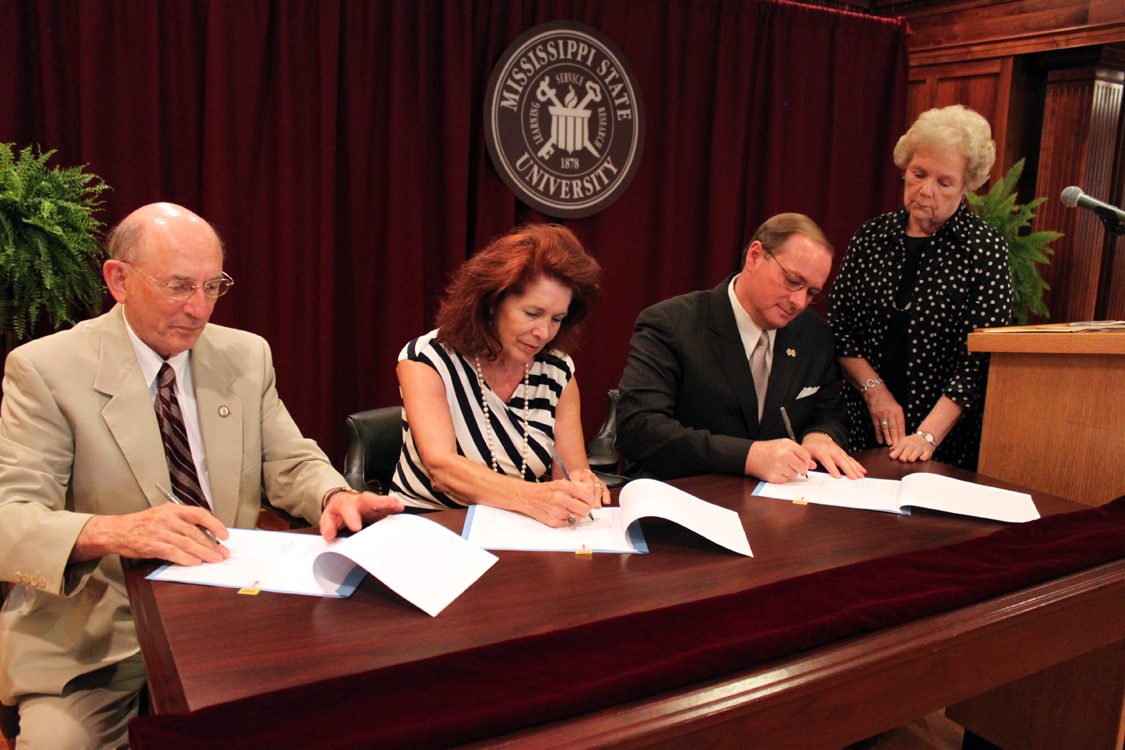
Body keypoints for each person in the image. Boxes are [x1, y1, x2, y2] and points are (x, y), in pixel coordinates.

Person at [0, 203, 402, 749]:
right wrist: (118, 532)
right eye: (178, 286)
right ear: (118, 279)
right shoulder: (46, 369)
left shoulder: (244, 355)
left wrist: (334, 494)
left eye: (213, 286)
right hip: (98, 636)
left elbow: (288, 460)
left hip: (233, 616)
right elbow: (11, 520)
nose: (199, 308)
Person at [827, 105, 1013, 471]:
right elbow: (839, 327)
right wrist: (874, 392)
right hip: (864, 423)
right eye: (918, 174)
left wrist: (927, 436)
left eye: (944, 182)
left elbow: (981, 358)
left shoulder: (985, 249)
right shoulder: (871, 237)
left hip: (945, 439)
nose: (925, 190)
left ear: (966, 187)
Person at [617, 213, 865, 484]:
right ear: (755, 256)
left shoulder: (813, 334)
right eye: (793, 281)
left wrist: (820, 436)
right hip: (687, 491)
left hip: (780, 502)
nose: (799, 302)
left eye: (811, 292)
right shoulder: (671, 323)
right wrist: (748, 456)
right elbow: (640, 429)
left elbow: (829, 412)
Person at [391, 223, 608, 527]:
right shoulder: (428, 359)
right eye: (532, 313)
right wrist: (534, 498)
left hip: (521, 527)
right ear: (492, 302)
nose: (543, 332)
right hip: (429, 523)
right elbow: (441, 470)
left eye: (557, 318)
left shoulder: (558, 371)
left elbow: (572, 470)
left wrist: (582, 487)